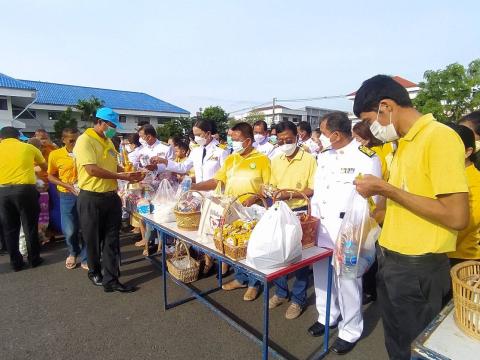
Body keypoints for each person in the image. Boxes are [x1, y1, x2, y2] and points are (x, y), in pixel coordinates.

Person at [353, 75, 469, 360]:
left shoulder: (438, 137)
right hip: (392, 257)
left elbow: (456, 216)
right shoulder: (402, 143)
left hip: (418, 267)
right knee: (397, 341)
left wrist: (385, 188)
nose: (370, 130)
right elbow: (406, 200)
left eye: (369, 121)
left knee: (413, 345)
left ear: (386, 106)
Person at [309, 112, 382, 355]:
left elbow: (374, 199)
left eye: (325, 133)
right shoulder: (323, 157)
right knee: (321, 275)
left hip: (350, 230)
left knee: (349, 280)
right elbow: (319, 192)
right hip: (322, 228)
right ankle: (326, 315)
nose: (321, 137)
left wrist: (359, 233)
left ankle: (350, 329)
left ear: (337, 134)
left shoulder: (366, 157)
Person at [191, 122, 271, 301]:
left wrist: (255, 196)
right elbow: (216, 181)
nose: (232, 142)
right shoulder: (231, 159)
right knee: (235, 246)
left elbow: (268, 187)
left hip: (252, 211)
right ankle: (241, 278)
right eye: (231, 139)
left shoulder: (262, 160)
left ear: (248, 140)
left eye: (236, 139)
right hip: (231, 211)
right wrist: (194, 186)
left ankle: (253, 284)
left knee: (251, 250)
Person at [73, 107, 144, 293]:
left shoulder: (109, 142)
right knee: (92, 239)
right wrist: (123, 177)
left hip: (111, 197)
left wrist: (129, 174)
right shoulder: (85, 141)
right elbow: (92, 170)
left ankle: (111, 279)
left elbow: (115, 166)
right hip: (91, 198)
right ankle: (95, 272)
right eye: (111, 125)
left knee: (112, 240)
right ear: (100, 122)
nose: (113, 129)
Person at [152, 119, 229, 274]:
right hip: (198, 196)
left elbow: (224, 177)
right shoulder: (196, 151)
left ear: (208, 133)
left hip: (216, 196)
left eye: (199, 134)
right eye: (194, 135)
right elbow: (182, 167)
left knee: (216, 230)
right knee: (201, 231)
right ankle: (207, 259)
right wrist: (164, 161)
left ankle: (222, 263)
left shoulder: (221, 151)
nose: (196, 138)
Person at [265, 120, 317, 319]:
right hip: (278, 211)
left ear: (298, 137)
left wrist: (290, 195)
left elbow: (312, 188)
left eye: (288, 139)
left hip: (299, 212)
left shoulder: (309, 159)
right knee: (278, 254)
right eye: (280, 140)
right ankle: (280, 291)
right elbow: (271, 184)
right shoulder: (276, 159)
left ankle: (298, 299)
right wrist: (267, 189)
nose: (285, 143)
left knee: (299, 258)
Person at [0, 126, 46, 271]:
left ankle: (16, 263)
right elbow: (44, 166)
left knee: (9, 228)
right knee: (29, 226)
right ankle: (34, 259)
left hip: (3, 191)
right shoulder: (28, 148)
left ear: (2, 138)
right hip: (25, 190)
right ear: (18, 137)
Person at [47, 128, 87, 270]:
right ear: (63, 140)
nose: (75, 143)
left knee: (87, 226)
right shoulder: (55, 155)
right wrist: (66, 185)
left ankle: (86, 256)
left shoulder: (85, 152)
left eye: (77, 140)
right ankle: (73, 252)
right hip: (66, 194)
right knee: (70, 229)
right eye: (71, 140)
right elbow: (51, 175)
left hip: (86, 192)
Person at [446, 124, 480, 266]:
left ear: (468, 152)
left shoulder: (475, 181)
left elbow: (468, 225)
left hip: (463, 258)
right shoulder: (450, 175)